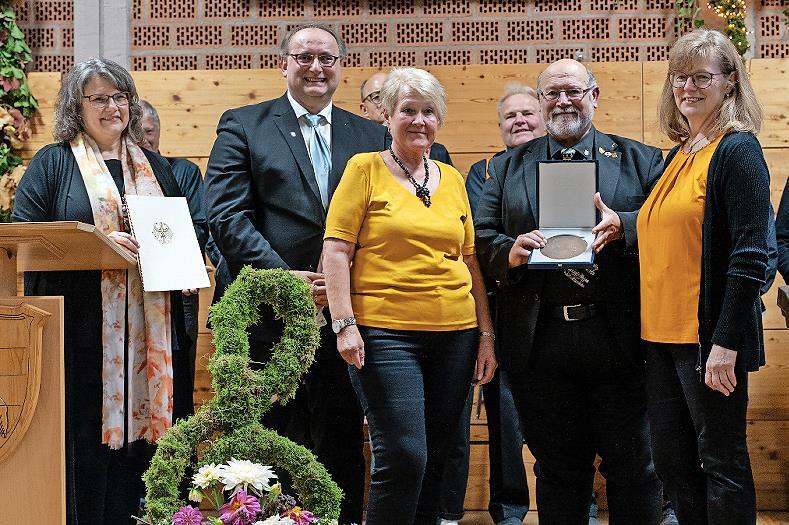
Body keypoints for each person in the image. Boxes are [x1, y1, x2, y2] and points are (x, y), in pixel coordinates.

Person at [203, 23, 387, 525]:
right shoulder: (243, 124)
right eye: (304, 56)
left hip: (345, 316)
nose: (315, 67)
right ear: (284, 62)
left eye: (326, 58)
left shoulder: (372, 135)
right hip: (265, 316)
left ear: (340, 67)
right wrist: (288, 281)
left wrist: (341, 288)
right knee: (269, 441)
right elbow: (226, 215)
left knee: (342, 437)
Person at [475, 58, 664, 524]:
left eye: (573, 90)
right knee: (558, 471)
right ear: (541, 102)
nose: (563, 100)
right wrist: (510, 251)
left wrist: (627, 226)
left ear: (594, 96)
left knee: (636, 469)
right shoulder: (504, 167)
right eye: (552, 92)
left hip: (620, 339)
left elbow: (668, 226)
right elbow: (480, 236)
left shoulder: (641, 159)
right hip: (540, 344)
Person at [12, 58, 192, 524]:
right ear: (77, 105)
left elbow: (172, 235)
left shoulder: (155, 168)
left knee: (143, 453)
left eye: (120, 97)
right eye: (99, 98)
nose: (112, 107)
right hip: (79, 337)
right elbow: (24, 240)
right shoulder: (53, 164)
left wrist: (184, 265)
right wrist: (98, 242)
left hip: (150, 340)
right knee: (84, 445)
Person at [323, 67, 497, 525]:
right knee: (404, 454)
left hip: (455, 335)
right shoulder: (364, 169)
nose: (419, 120)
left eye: (428, 112)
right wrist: (344, 325)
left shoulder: (452, 178)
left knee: (437, 457)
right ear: (387, 117)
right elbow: (336, 251)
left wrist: (485, 336)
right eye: (408, 111)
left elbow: (470, 261)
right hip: (384, 334)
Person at [638, 29, 773, 524]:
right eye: (679, 76)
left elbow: (750, 254)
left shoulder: (737, 151)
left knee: (721, 462)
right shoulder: (679, 153)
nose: (687, 87)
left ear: (730, 81)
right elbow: (668, 230)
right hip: (659, 338)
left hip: (708, 342)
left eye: (701, 76)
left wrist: (726, 341)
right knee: (673, 466)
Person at [439, 82, 544, 525]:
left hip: (563, 311)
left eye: (527, 113)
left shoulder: (575, 162)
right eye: (510, 117)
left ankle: (578, 506)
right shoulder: (484, 173)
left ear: (543, 119)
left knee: (566, 421)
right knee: (504, 420)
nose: (519, 121)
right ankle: (510, 510)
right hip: (505, 309)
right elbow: (481, 240)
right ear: (500, 126)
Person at [139, 99, 208, 397]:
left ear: (159, 132)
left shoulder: (183, 172)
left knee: (179, 375)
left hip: (180, 289)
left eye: (149, 130)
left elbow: (199, 227)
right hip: (134, 289)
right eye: (135, 132)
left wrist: (180, 266)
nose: (144, 138)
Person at [360, 70, 453, 164]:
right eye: (378, 97)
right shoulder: (360, 157)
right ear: (388, 115)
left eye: (428, 111)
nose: (419, 121)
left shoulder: (439, 155)